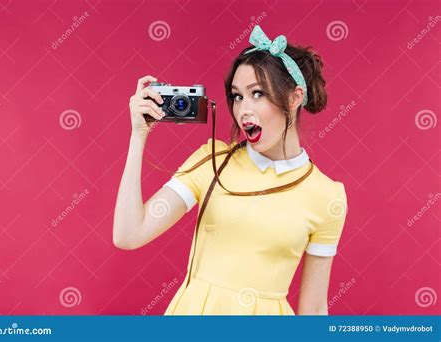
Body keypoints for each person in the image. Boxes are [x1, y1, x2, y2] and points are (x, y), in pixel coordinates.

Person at [113, 25, 348, 315]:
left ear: (294, 98)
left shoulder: (327, 196)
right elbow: (128, 234)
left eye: (257, 94)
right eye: (237, 96)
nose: (243, 110)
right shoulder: (211, 161)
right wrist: (138, 136)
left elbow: (313, 310)